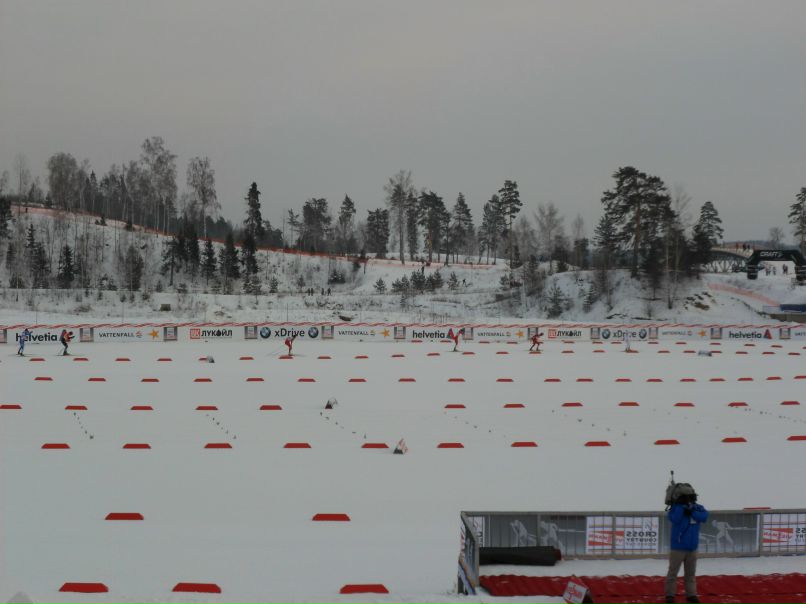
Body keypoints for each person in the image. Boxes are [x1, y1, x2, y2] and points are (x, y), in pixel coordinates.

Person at [665, 487, 708, 604]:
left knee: (690, 573)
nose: (689, 499)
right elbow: (675, 519)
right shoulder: (675, 508)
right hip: (678, 547)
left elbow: (704, 517)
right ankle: (670, 595)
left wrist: (692, 511)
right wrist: (681, 508)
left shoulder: (697, 508)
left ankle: (691, 594)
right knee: (673, 572)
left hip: (692, 547)